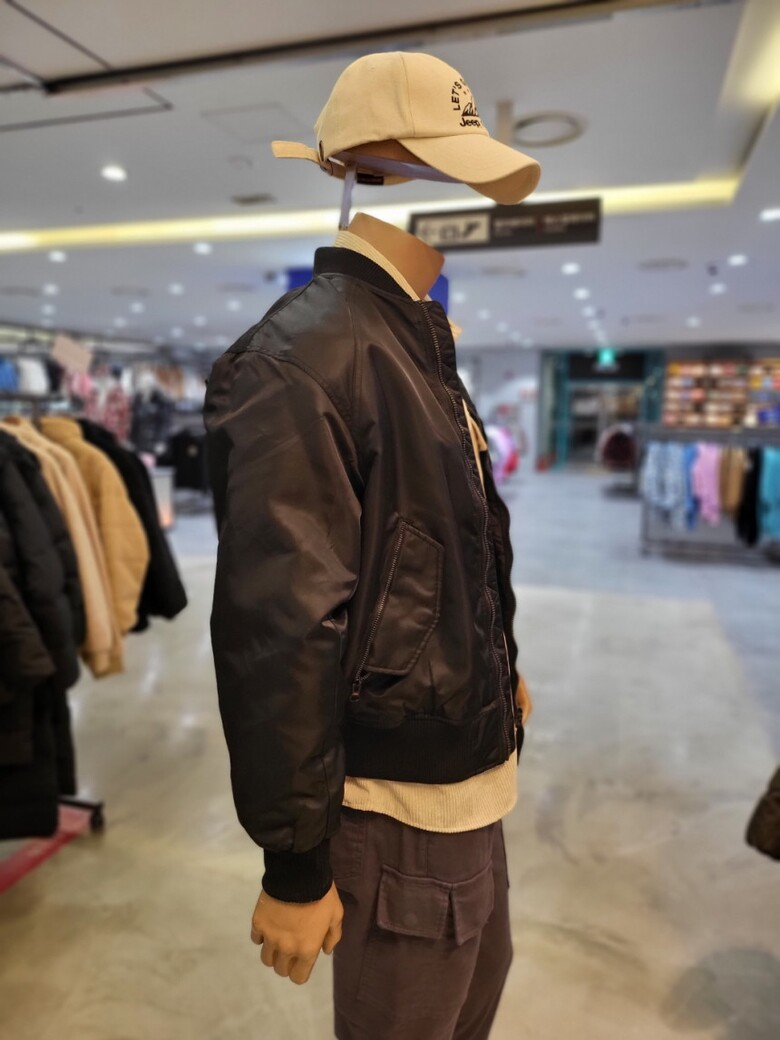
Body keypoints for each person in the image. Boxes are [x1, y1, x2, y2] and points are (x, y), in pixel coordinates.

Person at [205, 51, 540, 1040]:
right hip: (397, 805)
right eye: (437, 169)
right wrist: (295, 862)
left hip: (468, 776)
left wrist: (497, 666)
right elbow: (279, 625)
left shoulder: (414, 341)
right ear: (376, 171)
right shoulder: (299, 358)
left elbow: (443, 547)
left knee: (473, 1002)